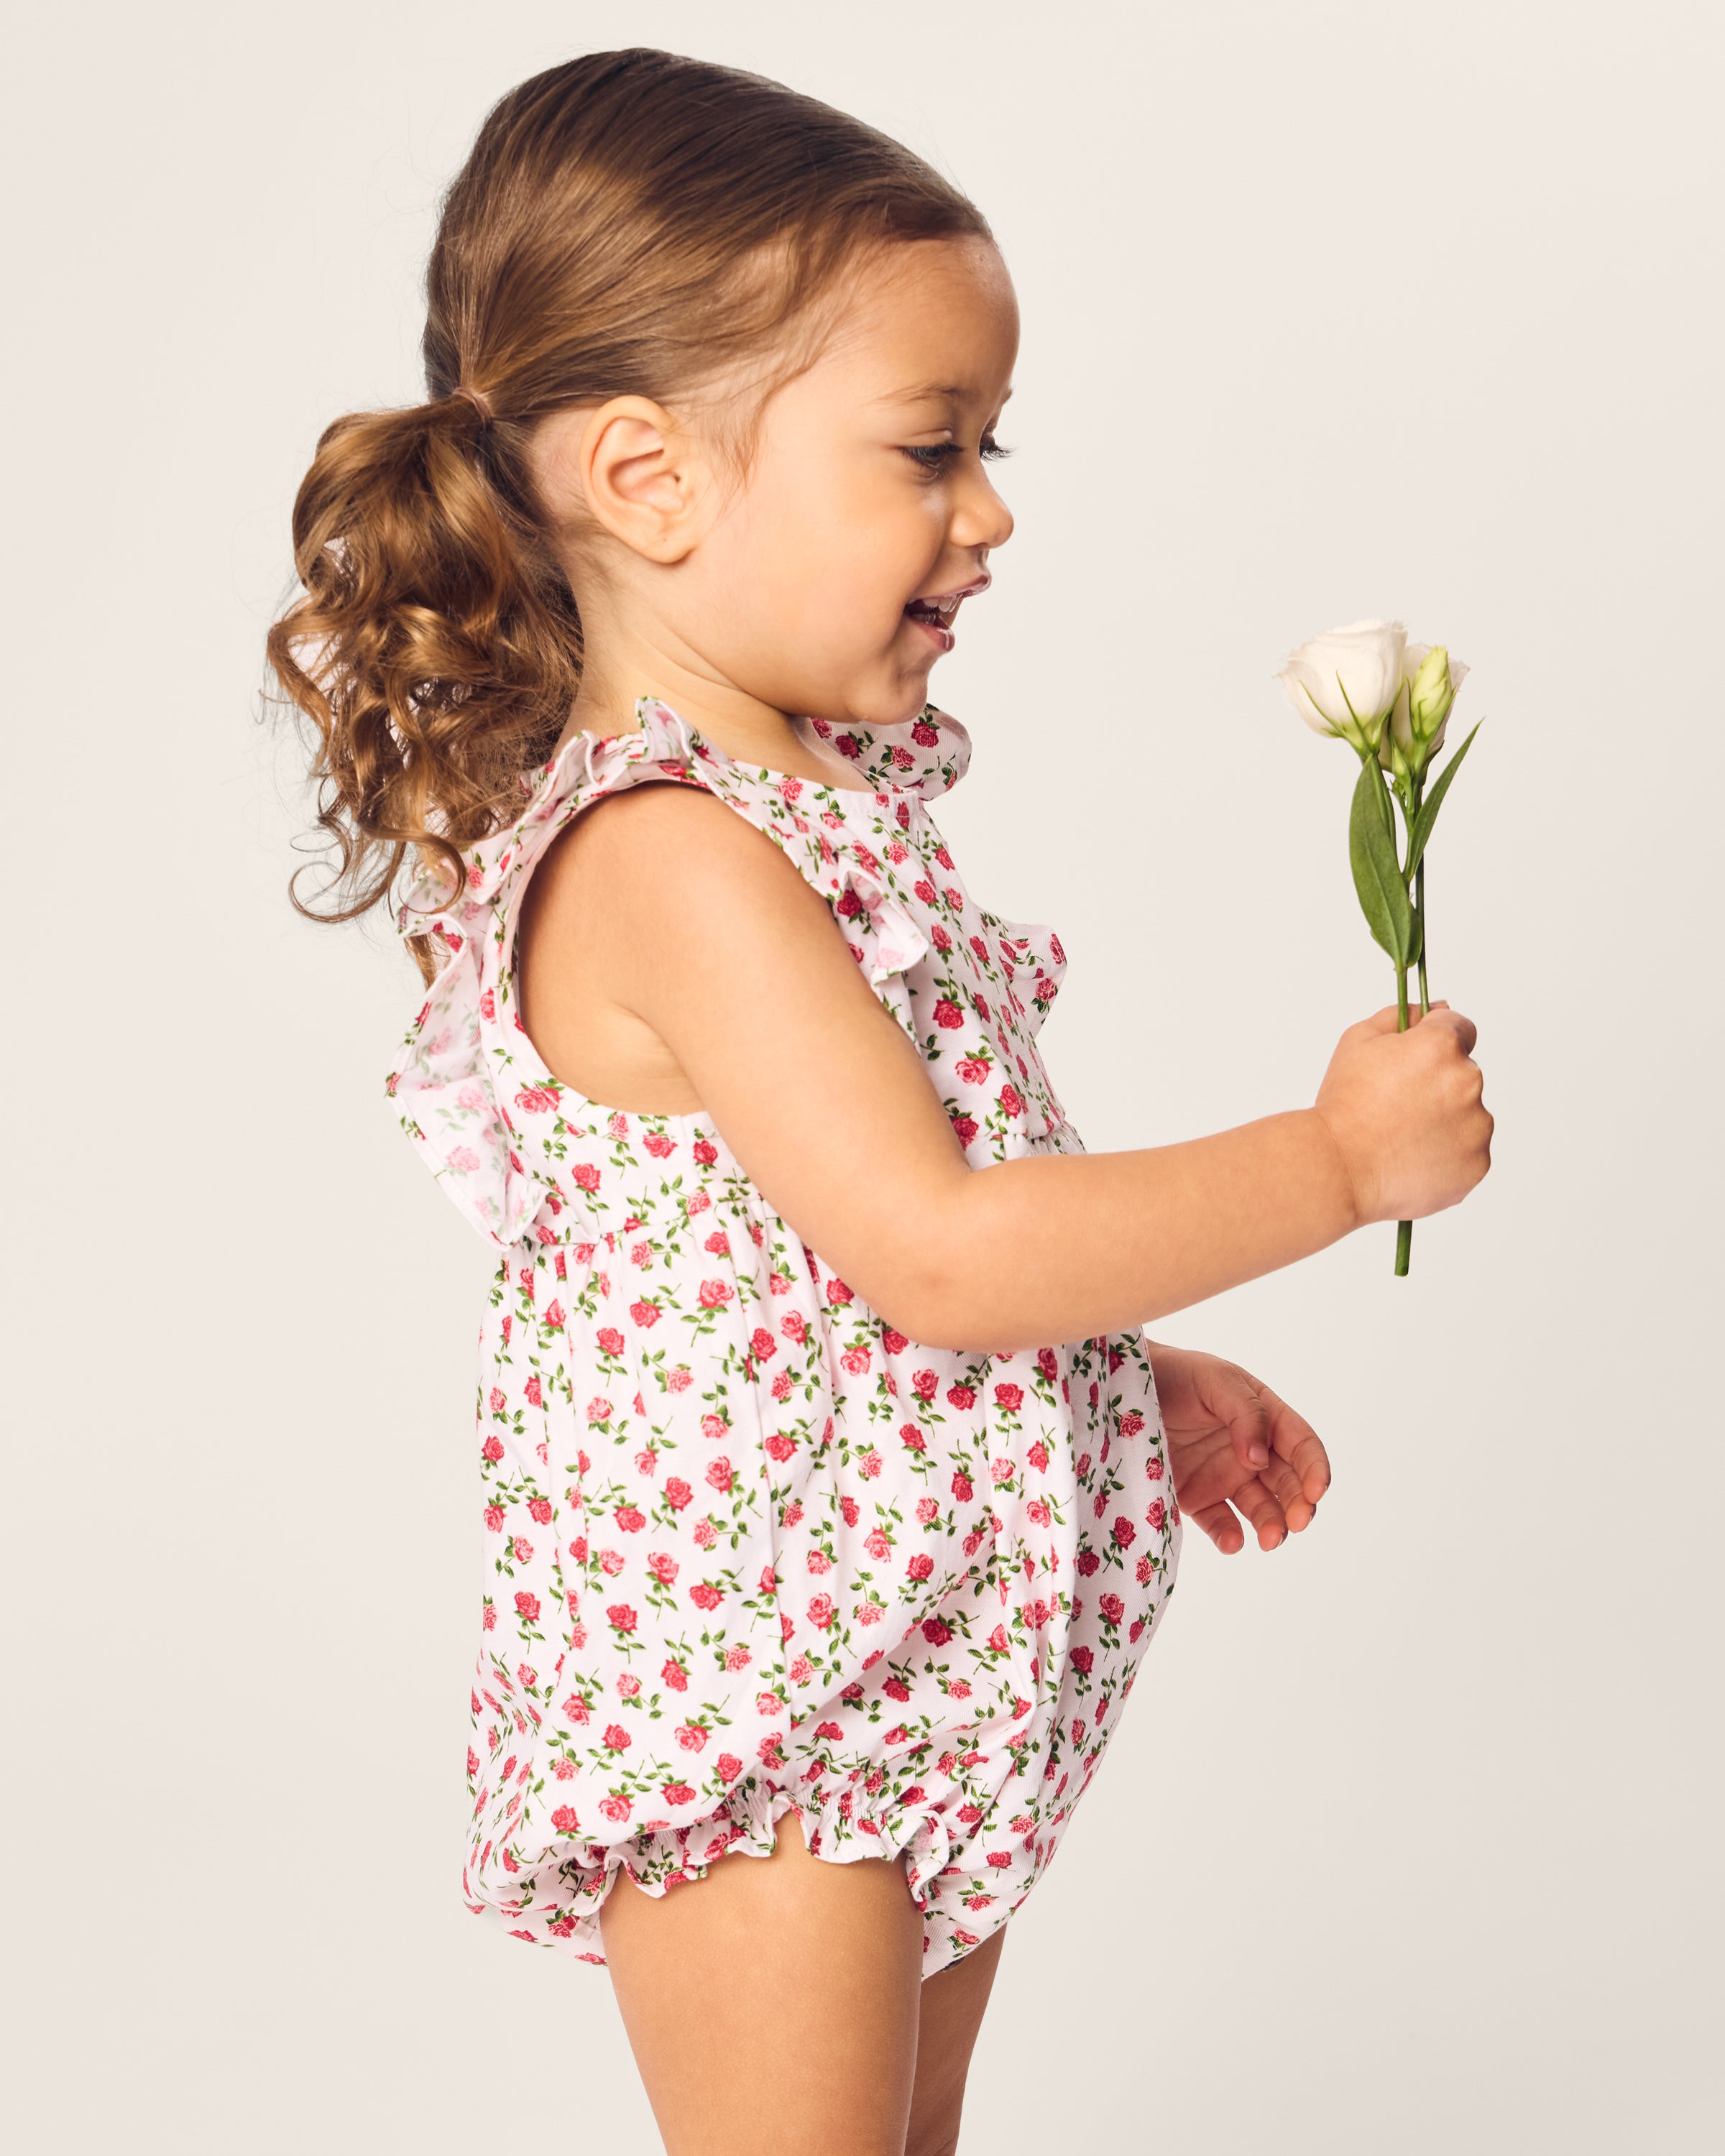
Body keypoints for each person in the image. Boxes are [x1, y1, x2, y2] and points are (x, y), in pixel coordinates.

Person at [267, 47, 1492, 2156]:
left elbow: (834, 1252)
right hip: (764, 1696)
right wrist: (1330, 1164)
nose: (992, 509)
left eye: (988, 444)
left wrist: (1111, 1371)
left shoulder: (803, 816)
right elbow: (933, 1254)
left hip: (896, 1644)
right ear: (649, 481)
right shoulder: (674, 855)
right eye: (931, 449)